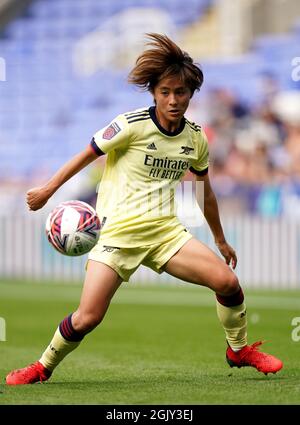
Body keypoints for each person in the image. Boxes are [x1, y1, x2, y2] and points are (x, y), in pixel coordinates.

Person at [6, 33, 282, 385]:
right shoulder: (130, 125)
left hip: (164, 234)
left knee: (227, 282)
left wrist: (220, 240)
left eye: (180, 92)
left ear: (190, 94)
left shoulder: (195, 138)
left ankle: (238, 349)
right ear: (154, 92)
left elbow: (205, 193)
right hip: (116, 236)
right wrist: (47, 190)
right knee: (88, 318)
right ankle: (42, 367)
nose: (172, 100)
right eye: (165, 92)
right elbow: (85, 155)